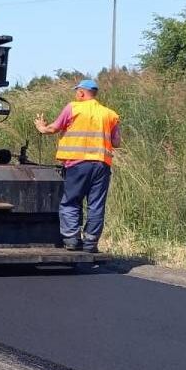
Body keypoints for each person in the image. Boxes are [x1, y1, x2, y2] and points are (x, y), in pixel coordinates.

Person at [34, 79, 121, 253]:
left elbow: (53, 128)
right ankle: (90, 244)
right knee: (96, 205)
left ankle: (72, 240)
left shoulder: (73, 108)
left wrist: (41, 127)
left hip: (77, 164)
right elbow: (116, 142)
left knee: (71, 201)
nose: (76, 94)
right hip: (102, 165)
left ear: (81, 93)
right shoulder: (110, 114)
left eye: (77, 91)